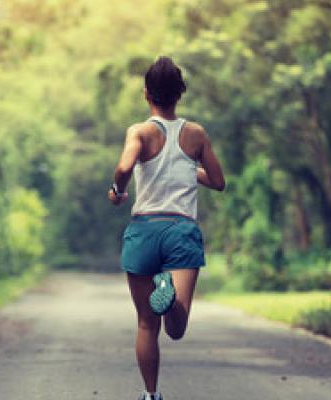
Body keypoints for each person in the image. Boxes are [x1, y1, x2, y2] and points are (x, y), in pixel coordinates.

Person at [108, 56, 225, 400]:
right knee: (176, 328)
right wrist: (189, 170)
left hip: (144, 230)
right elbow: (218, 181)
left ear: (147, 94)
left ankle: (151, 394)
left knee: (146, 323)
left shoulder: (140, 132)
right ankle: (171, 300)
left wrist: (118, 190)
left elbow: (124, 165)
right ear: (180, 93)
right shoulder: (196, 134)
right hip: (180, 231)